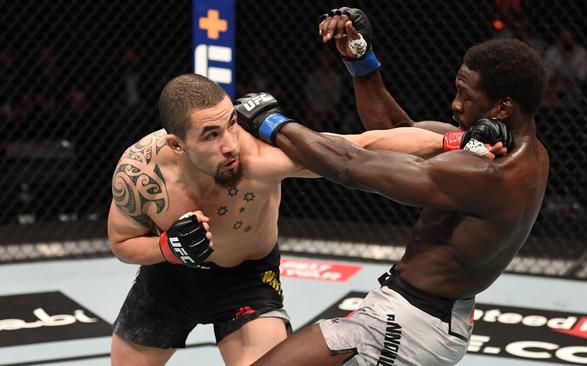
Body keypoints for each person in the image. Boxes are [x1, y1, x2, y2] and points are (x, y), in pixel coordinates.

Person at [107, 73, 508, 366]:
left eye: (230, 124)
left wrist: (453, 141)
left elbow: (359, 146)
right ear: (177, 143)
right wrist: (165, 247)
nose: (230, 145)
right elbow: (122, 244)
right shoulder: (140, 174)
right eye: (210, 135)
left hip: (244, 281)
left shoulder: (259, 160)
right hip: (170, 280)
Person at [234, 7, 549, 366]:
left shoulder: (488, 174)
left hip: (411, 322)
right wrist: (361, 61)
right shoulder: (523, 151)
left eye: (466, 96)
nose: (455, 104)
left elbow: (352, 165)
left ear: (503, 107)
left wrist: (270, 121)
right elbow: (399, 133)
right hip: (430, 313)